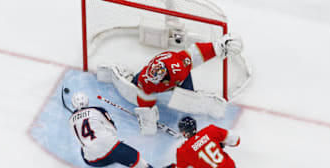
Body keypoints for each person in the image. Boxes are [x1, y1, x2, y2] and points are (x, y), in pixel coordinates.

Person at [95, 33, 243, 135]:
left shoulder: (179, 67)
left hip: (180, 79)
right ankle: (119, 74)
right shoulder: (146, 81)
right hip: (152, 80)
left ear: (165, 76)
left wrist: (219, 46)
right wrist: (148, 119)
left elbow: (196, 53)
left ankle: (209, 105)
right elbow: (144, 99)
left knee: (187, 99)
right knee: (134, 89)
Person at [68, 92, 169, 168]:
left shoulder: (71, 120)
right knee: (136, 160)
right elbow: (112, 128)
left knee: (85, 148)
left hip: (93, 161)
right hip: (111, 149)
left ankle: (111, 155)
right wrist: (115, 143)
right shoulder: (98, 110)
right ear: (87, 101)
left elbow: (80, 140)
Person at [160, 116, 259, 168]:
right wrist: (222, 143)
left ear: (184, 132)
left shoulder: (183, 151)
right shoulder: (211, 130)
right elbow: (236, 140)